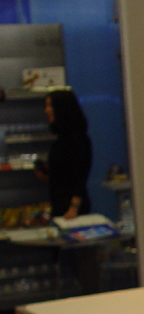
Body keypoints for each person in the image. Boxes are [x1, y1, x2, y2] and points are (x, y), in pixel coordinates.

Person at [35, 89, 92, 220]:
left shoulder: (79, 139)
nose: (47, 110)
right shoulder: (60, 140)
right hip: (59, 205)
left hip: (72, 210)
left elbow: (81, 175)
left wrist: (74, 207)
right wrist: (47, 172)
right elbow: (64, 173)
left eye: (50, 106)